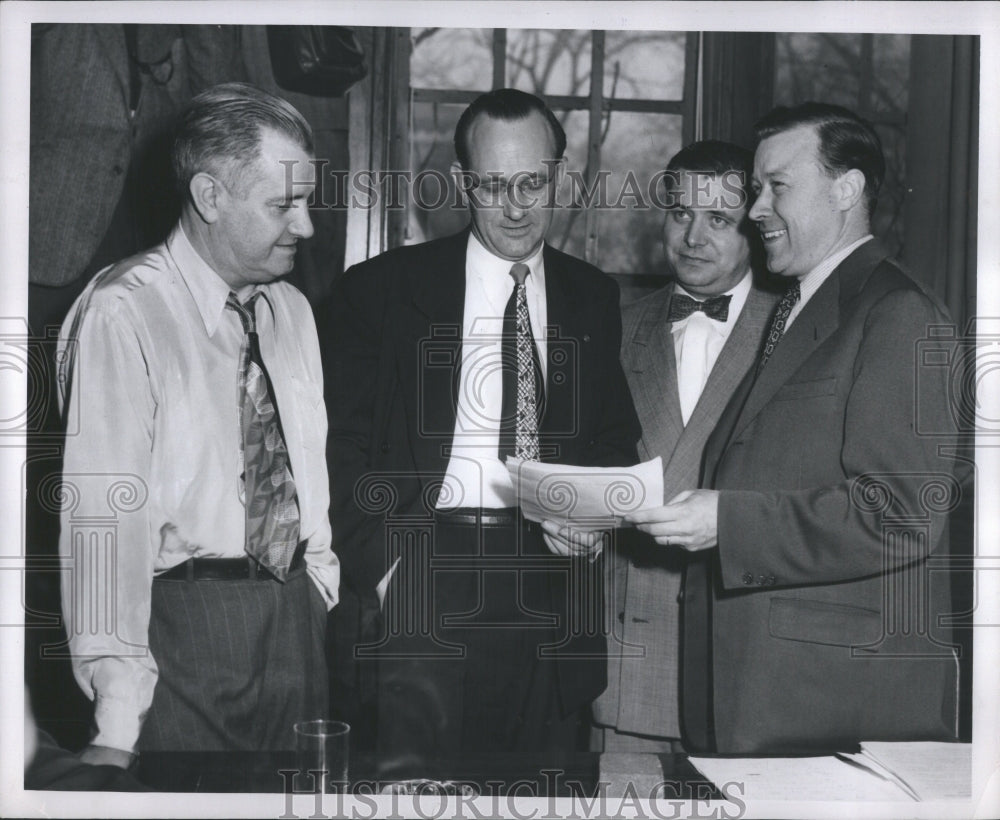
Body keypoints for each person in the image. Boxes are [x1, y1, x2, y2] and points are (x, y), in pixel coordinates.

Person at [628, 102, 961, 753]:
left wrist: (728, 522)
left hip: (829, 702)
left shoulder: (899, 313)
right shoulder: (804, 306)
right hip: (767, 690)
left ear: (847, 189)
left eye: (776, 187)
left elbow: (900, 516)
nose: (754, 210)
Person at [322, 88, 640, 762]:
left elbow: (614, 437)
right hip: (422, 571)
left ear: (559, 176)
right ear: (465, 182)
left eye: (533, 182)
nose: (517, 205)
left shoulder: (592, 295)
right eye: (495, 185)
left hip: (553, 587)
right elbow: (338, 448)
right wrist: (385, 573)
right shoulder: (379, 291)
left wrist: (591, 513)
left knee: (544, 792)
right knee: (415, 796)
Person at [56, 82, 339, 768]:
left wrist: (317, 588)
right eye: (282, 205)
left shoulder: (291, 312)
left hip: (295, 628)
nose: (305, 226)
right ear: (210, 197)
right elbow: (104, 520)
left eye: (306, 201)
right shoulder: (124, 313)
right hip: (182, 640)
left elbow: (309, 469)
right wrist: (117, 718)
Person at [592, 141, 777, 752]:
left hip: (742, 662)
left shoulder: (797, 333)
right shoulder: (613, 326)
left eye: (719, 219)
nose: (694, 236)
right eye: (680, 215)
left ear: (755, 225)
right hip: (625, 661)